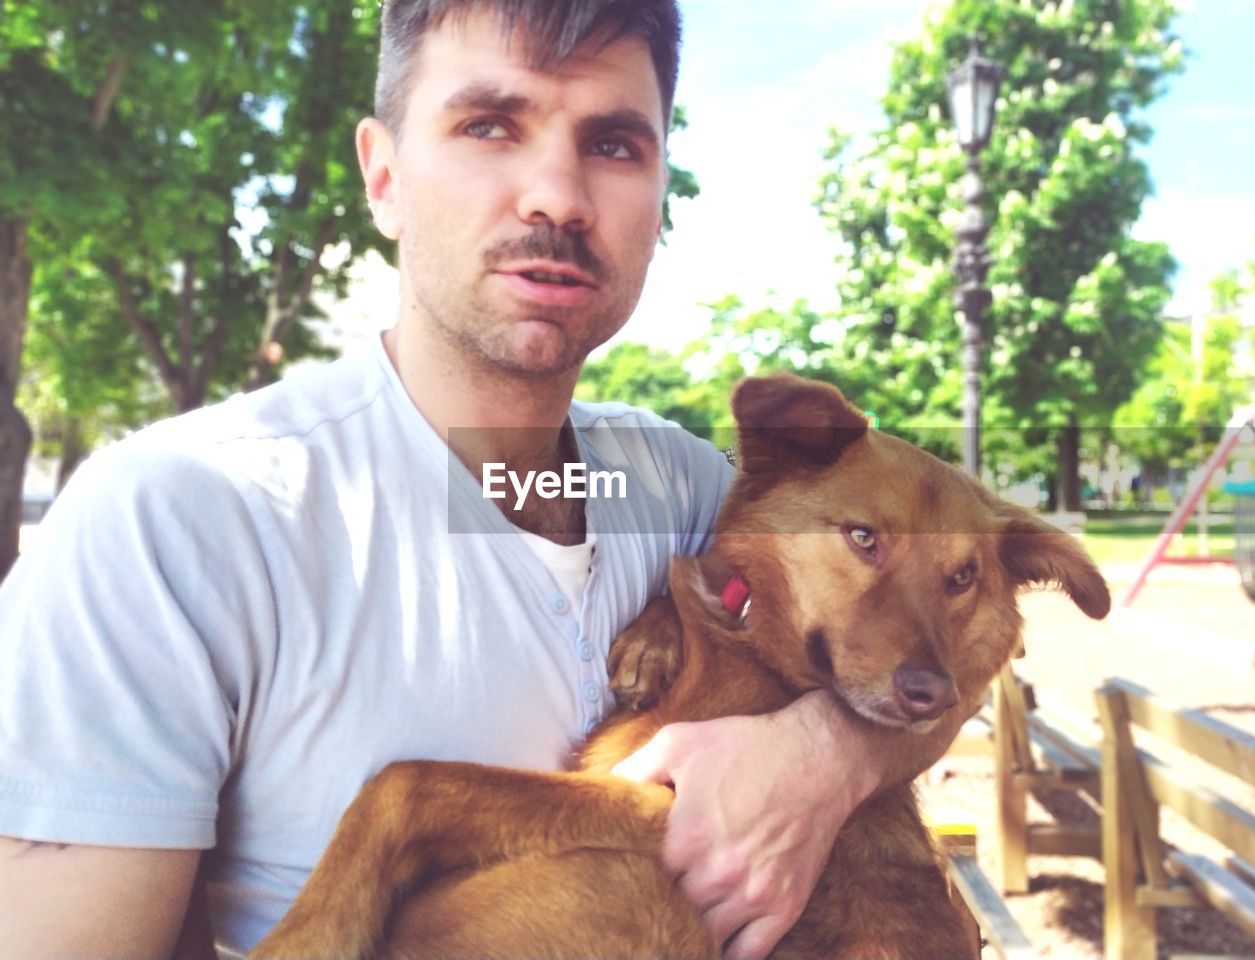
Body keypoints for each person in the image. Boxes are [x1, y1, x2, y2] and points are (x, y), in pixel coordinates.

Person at [0, 3, 964, 958]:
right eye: (490, 125)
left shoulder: (674, 486)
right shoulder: (181, 520)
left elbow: (946, 648)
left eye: (615, 144)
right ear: (383, 177)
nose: (557, 195)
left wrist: (821, 761)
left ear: (660, 195)